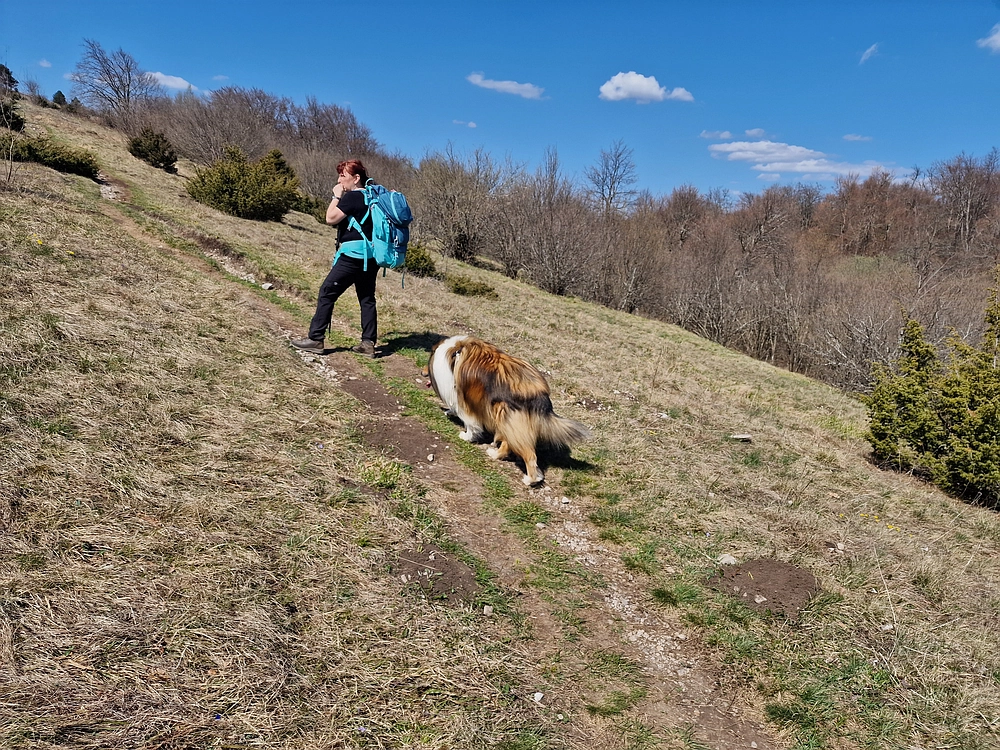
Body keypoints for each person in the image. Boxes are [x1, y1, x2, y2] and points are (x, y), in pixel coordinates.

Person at [292, 159, 379, 358]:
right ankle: (368, 343)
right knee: (367, 299)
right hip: (371, 257)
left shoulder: (352, 197)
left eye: (343, 176)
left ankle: (316, 339)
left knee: (327, 292)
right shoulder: (372, 198)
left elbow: (330, 218)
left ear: (356, 179)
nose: (340, 180)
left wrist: (336, 196)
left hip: (352, 256)